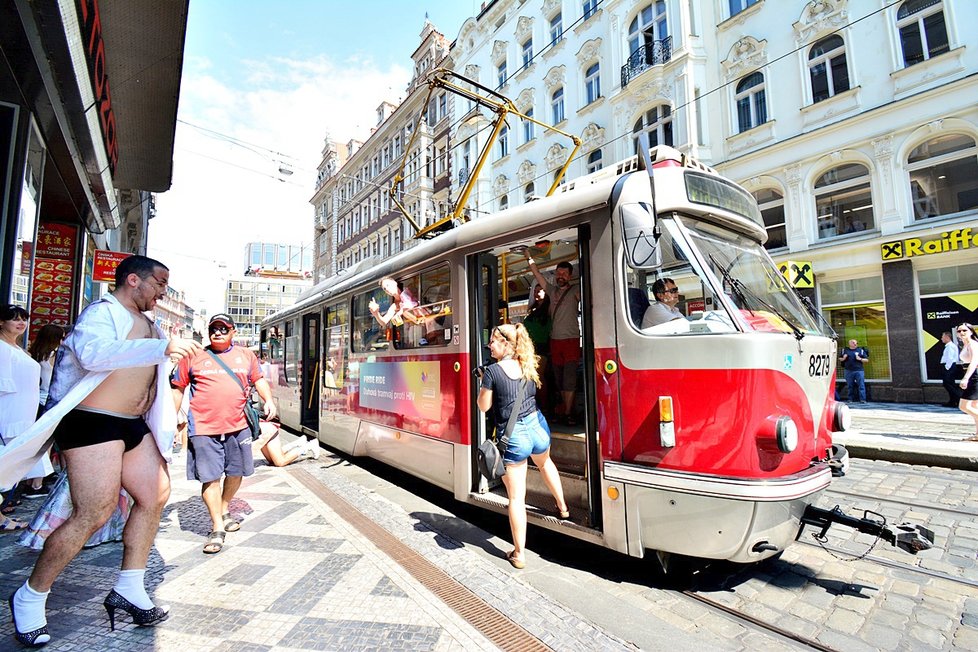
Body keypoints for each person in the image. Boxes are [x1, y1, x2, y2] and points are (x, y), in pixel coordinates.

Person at [7, 255, 202, 647]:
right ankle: (31, 594)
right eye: (160, 283)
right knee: (93, 513)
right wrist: (163, 348)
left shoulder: (151, 321)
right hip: (92, 420)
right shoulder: (102, 311)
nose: (163, 291)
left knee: (156, 494)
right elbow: (93, 355)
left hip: (131, 425)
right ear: (134, 280)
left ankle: (130, 587)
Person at [171, 314, 276, 555]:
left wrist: (268, 399)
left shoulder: (246, 355)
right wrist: (171, 419)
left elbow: (258, 380)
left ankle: (225, 506)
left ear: (233, 332)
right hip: (203, 427)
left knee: (237, 472)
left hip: (238, 426)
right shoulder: (194, 356)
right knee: (210, 477)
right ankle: (217, 526)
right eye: (213, 329)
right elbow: (178, 388)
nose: (217, 333)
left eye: (223, 329)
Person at [477, 323, 570, 570]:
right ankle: (562, 508)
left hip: (515, 436)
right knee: (545, 463)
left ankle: (519, 554)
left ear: (506, 344)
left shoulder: (493, 372)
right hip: (538, 427)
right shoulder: (527, 363)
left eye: (494, 341)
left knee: (516, 498)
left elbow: (483, 407)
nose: (490, 345)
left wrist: (484, 383)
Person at [0, 304, 45, 529]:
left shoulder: (17, 349)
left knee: (9, 469)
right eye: (14, 319)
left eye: (24, 318)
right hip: (8, 415)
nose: (21, 322)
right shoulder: (1, 348)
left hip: (23, 414)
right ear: (1, 322)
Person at [525, 255, 580, 425]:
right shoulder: (551, 290)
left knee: (569, 378)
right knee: (558, 378)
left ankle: (568, 412)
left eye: (564, 273)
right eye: (558, 273)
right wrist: (529, 257)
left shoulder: (576, 290)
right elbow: (537, 275)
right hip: (555, 341)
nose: (560, 276)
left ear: (570, 276)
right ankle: (564, 409)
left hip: (571, 339)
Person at [252, 420, 318, 466]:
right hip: (261, 432)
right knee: (272, 460)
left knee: (280, 462)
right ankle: (298, 442)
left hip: (267, 432)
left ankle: (309, 445)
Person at [956, 323, 978, 441]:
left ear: (971, 331)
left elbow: (974, 362)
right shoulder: (965, 345)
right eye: (959, 331)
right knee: (974, 405)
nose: (961, 333)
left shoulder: (973, 344)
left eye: (964, 330)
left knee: (964, 406)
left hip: (974, 376)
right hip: (972, 375)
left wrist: (966, 378)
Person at [839, 338, 869, 403]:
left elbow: (866, 360)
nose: (855, 344)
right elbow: (840, 358)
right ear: (849, 343)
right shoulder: (845, 350)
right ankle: (850, 399)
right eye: (853, 342)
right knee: (850, 385)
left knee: (861, 385)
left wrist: (860, 359)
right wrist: (844, 358)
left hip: (859, 370)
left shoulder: (860, 350)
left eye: (856, 343)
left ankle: (863, 399)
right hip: (848, 370)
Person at [940, 331, 961, 407]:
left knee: (948, 384)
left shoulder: (950, 346)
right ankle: (952, 401)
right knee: (949, 384)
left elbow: (950, 358)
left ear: (947, 337)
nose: (941, 338)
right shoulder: (949, 346)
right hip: (949, 366)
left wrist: (947, 367)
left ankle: (958, 400)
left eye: (942, 337)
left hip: (949, 367)